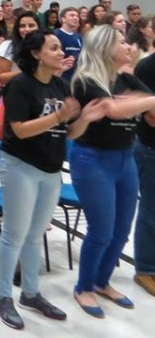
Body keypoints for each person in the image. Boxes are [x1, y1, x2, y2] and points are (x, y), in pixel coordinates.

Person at [0, 30, 105, 330]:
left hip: (51, 169)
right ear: (35, 54)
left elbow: (69, 133)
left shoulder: (60, 85)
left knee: (34, 235)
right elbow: (19, 130)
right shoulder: (20, 85)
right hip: (20, 165)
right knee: (14, 234)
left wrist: (85, 118)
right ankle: (3, 296)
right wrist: (59, 116)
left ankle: (31, 293)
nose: (61, 52)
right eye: (53, 48)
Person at [69, 25, 155, 317]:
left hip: (124, 158)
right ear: (105, 47)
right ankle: (83, 287)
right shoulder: (85, 81)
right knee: (101, 231)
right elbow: (114, 110)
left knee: (121, 231)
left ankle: (102, 281)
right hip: (93, 160)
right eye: (122, 42)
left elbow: (150, 116)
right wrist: (139, 102)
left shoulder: (126, 78)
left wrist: (135, 102)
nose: (129, 46)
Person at [131, 48, 155, 296]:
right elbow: (151, 116)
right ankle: (145, 269)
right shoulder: (147, 68)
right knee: (151, 211)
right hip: (151, 149)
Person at [55, 7, 83, 82]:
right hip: (60, 75)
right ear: (63, 19)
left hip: (75, 76)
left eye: (77, 16)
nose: (76, 18)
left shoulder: (78, 37)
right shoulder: (55, 34)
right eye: (72, 15)